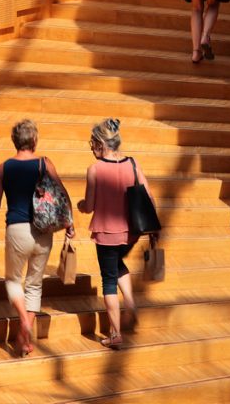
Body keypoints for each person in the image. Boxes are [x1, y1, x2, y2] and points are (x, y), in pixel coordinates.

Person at [0, 119, 74, 356]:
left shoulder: (4, 168)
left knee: (13, 280)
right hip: (43, 230)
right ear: (34, 141)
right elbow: (61, 192)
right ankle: (25, 332)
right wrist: (69, 223)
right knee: (34, 284)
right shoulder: (44, 163)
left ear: (15, 141)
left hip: (17, 229)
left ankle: (23, 321)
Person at [77, 118, 157, 349]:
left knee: (108, 280)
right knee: (117, 264)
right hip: (131, 232)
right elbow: (148, 195)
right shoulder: (132, 163)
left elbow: (90, 206)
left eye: (92, 143)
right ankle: (130, 303)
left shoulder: (95, 170)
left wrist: (81, 205)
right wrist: (153, 227)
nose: (91, 148)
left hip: (106, 233)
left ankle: (115, 334)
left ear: (102, 143)